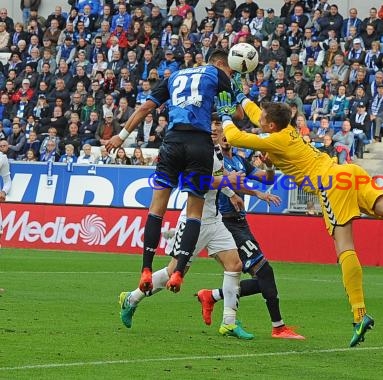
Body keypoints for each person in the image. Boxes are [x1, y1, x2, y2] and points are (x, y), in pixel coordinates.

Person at [218, 82, 383, 347]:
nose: (258, 119)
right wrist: (240, 96)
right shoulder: (286, 131)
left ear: (271, 125)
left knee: (345, 247)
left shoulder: (274, 138)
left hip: (330, 184)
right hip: (349, 171)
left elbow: (237, 138)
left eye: (263, 119)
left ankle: (359, 314)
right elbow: (256, 114)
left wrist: (226, 114)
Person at [105, 49, 234, 295]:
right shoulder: (217, 74)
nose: (230, 74)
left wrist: (121, 137)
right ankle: (178, 272)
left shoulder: (175, 76)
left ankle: (145, 268)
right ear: (219, 64)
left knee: (156, 208)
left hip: (172, 141)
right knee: (194, 212)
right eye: (230, 69)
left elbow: (145, 109)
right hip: (199, 144)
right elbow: (236, 112)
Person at [119, 121, 254, 339]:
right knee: (173, 272)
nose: (214, 133)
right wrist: (227, 182)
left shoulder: (217, 152)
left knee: (235, 264)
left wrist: (232, 195)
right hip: (193, 221)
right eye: (210, 130)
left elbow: (220, 178)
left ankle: (229, 322)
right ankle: (131, 299)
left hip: (214, 220)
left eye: (217, 130)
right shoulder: (198, 153)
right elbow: (200, 181)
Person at [195, 129, 304, 340]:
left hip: (241, 222)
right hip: (226, 223)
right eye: (222, 134)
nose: (226, 138)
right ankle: (278, 327)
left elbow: (267, 179)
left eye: (229, 135)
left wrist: (270, 164)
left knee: (261, 278)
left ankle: (211, 295)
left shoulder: (239, 160)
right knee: (265, 272)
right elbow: (232, 183)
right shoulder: (216, 161)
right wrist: (256, 194)